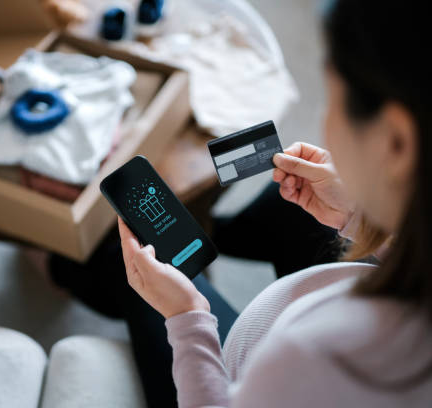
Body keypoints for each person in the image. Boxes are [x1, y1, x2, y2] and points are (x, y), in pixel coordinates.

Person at [50, 0, 432, 406]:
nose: (323, 121)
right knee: (285, 205)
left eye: (333, 101)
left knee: (123, 267)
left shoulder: (321, 362)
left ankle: (58, 266)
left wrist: (185, 315)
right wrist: (361, 218)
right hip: (302, 313)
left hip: (226, 372)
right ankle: (211, 232)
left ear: (396, 142)